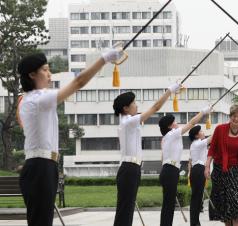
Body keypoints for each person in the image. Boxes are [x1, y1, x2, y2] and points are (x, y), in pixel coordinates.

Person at [18, 48, 122, 226]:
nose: (49, 74)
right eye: (45, 70)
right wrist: (103, 59)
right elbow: (79, 82)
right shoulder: (37, 99)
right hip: (40, 167)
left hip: (44, 166)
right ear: (32, 75)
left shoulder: (34, 99)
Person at [112, 82, 181, 226]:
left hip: (132, 168)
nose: (136, 105)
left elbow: (148, 110)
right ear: (125, 108)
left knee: (127, 210)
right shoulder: (128, 122)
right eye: (134, 103)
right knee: (125, 210)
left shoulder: (128, 121)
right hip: (129, 169)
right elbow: (155, 107)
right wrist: (169, 91)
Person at [159, 106, 211, 226]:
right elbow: (192, 123)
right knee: (168, 205)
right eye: (174, 122)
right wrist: (203, 111)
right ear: (170, 126)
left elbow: (162, 157)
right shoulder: (172, 134)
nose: (176, 124)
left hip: (168, 170)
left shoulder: (167, 138)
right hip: (170, 170)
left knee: (168, 204)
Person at [204, 104, 238, 226]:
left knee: (235, 206)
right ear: (230, 116)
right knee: (225, 208)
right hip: (220, 171)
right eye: (234, 116)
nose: (236, 119)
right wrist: (207, 166)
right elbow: (212, 149)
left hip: (236, 172)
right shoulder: (220, 129)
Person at [188, 125, 212, 226]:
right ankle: (194, 223)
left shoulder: (198, 144)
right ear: (197, 135)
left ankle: (196, 222)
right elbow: (212, 138)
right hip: (198, 170)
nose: (203, 132)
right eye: (201, 131)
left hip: (198, 170)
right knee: (196, 199)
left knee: (198, 198)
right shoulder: (198, 144)